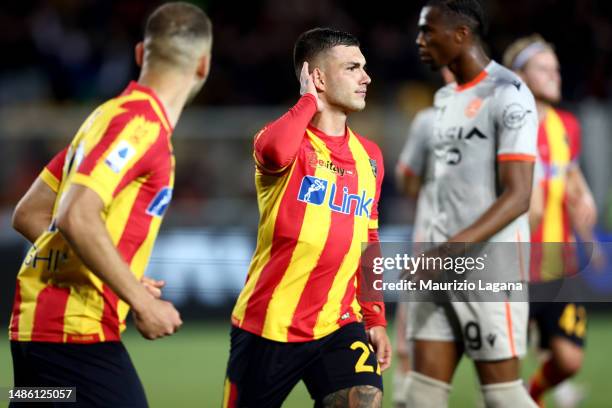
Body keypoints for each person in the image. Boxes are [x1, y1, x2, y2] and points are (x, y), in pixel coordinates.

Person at [8, 3, 212, 406]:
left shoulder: (104, 118)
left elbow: (30, 213)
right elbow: (74, 213)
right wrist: (140, 301)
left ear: (140, 54)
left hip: (35, 335)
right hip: (74, 336)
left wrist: (120, 276)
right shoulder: (141, 128)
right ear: (203, 65)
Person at [223, 28, 391, 408]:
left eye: (364, 67)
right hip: (269, 324)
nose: (367, 77)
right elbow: (273, 151)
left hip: (339, 322)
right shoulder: (285, 142)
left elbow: (370, 242)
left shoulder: (371, 157)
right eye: (352, 68)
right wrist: (307, 103)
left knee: (363, 401)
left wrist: (375, 317)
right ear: (317, 77)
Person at [404, 0, 540, 406]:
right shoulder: (445, 98)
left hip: (488, 270)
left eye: (428, 31)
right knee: (419, 396)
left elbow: (518, 196)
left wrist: (447, 251)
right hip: (438, 269)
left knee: (502, 397)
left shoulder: (510, 94)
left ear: (461, 34)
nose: (419, 40)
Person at [503, 34, 601, 408]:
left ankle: (535, 394)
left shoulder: (567, 126)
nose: (555, 75)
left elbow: (570, 175)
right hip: (514, 268)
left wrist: (586, 197)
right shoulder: (506, 126)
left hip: (561, 266)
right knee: (503, 367)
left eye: (556, 68)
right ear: (520, 76)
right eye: (545, 68)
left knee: (568, 360)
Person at [393, 67, 454, 408]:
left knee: (414, 331)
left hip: (435, 241)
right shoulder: (428, 121)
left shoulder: (428, 121)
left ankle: (406, 393)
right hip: (461, 247)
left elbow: (407, 179)